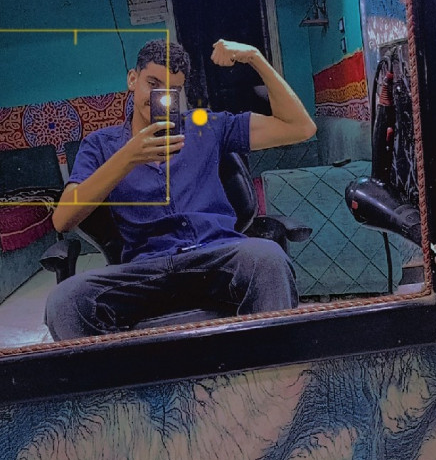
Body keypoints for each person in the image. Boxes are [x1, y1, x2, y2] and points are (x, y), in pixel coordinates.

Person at [46, 38, 317, 339]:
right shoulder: (100, 145)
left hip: (216, 258)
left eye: (172, 90)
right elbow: (63, 219)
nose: (161, 97)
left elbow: (301, 128)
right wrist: (128, 157)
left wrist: (255, 57)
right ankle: (123, 372)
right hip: (146, 270)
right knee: (65, 302)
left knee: (268, 259)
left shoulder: (207, 126)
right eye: (152, 84)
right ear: (132, 80)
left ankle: (265, 367)